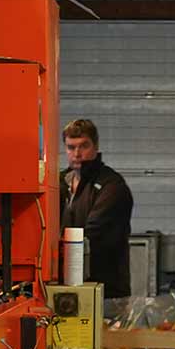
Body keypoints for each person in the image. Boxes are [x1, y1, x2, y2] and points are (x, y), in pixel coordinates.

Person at [58, 118, 133, 299]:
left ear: (96, 146)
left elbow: (94, 233)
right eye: (71, 147)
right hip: (67, 286)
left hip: (106, 291)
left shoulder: (112, 185)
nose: (77, 153)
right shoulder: (60, 183)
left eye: (84, 146)